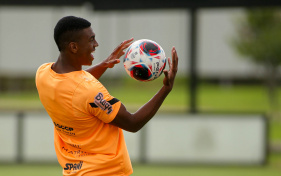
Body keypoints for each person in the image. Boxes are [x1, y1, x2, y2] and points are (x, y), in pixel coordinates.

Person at [36, 16, 178, 176]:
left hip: (74, 171)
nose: (96, 45)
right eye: (91, 40)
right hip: (106, 171)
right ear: (74, 47)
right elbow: (132, 123)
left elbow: (72, 84)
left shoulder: (43, 74)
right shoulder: (90, 92)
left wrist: (103, 65)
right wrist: (166, 88)